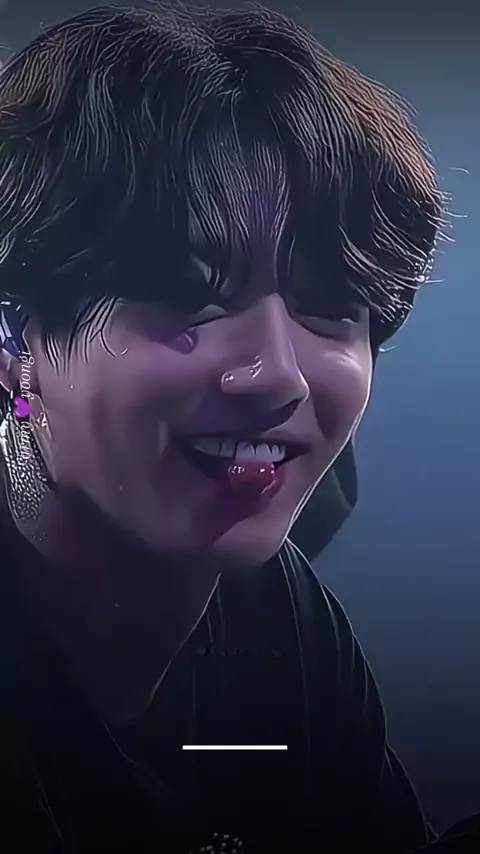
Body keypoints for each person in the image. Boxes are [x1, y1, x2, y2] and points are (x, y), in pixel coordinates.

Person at [0, 4, 476, 853]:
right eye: (191, 295)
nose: (278, 374)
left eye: (330, 306)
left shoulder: (276, 620)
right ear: (13, 342)